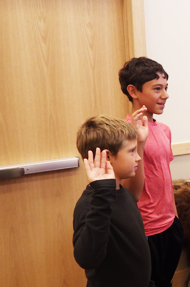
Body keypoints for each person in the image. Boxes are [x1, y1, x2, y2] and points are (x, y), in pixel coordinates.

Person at [119, 57, 184, 287]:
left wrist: (175, 217)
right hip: (145, 230)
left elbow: (164, 176)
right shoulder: (123, 134)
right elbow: (131, 193)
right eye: (157, 89)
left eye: (166, 88)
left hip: (170, 225)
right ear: (133, 91)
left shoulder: (164, 130)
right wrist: (139, 143)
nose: (165, 95)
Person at [73, 114, 152, 287]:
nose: (138, 157)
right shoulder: (90, 205)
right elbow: (86, 258)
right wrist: (102, 197)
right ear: (108, 156)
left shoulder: (125, 194)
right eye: (131, 151)